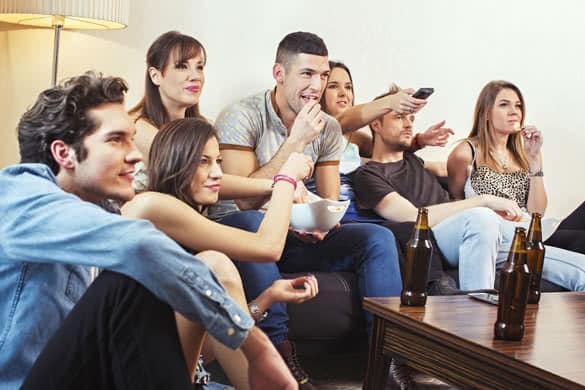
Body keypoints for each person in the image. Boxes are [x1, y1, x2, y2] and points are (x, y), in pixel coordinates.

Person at [0, 72, 296, 389]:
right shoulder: (19, 197)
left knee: (193, 269)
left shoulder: (98, 213)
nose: (136, 154)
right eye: (116, 140)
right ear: (64, 153)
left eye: (131, 138)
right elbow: (139, 249)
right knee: (134, 278)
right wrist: (255, 345)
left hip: (86, 375)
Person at [210, 31, 403, 389]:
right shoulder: (242, 115)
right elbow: (243, 199)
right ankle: (281, 355)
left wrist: (322, 221)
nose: (317, 85)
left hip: (293, 232)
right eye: (307, 74)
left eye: (323, 75)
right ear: (279, 73)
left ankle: (386, 363)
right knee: (254, 220)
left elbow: (328, 203)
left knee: (377, 237)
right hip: (241, 231)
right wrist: (296, 140)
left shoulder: (328, 127)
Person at [122, 117, 319, 389]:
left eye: (218, 162)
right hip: (138, 377)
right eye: (203, 161)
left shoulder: (185, 232)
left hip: (190, 377)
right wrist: (286, 177)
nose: (216, 173)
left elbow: (208, 352)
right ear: (175, 163)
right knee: (215, 264)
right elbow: (268, 247)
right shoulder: (149, 206)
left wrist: (267, 298)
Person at [353, 84, 528, 291]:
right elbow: (412, 216)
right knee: (482, 217)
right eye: (400, 117)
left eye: (411, 118)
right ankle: (476, 311)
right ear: (376, 125)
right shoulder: (369, 174)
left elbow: (450, 167)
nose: (409, 124)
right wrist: (484, 200)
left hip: (470, 232)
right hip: (436, 237)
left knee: (543, 243)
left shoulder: (414, 161)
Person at [447, 80, 585, 291]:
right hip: (494, 237)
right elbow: (456, 205)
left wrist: (534, 160)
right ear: (485, 113)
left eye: (518, 105)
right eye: (504, 105)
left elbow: (536, 211)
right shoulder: (465, 153)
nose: (514, 112)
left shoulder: (521, 154)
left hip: (530, 233)